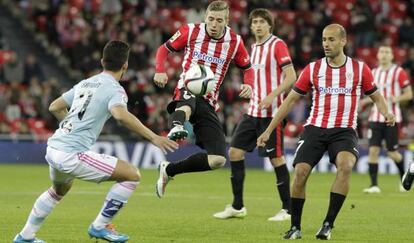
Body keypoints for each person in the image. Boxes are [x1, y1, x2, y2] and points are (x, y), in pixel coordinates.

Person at [13, 40, 178, 243]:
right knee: (132, 175)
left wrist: (70, 127)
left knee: (59, 190)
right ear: (125, 65)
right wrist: (154, 137)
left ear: (102, 61)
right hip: (71, 153)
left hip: (54, 146)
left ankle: (25, 236)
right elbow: (119, 115)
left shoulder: (85, 83)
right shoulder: (115, 90)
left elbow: (54, 106)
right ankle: (99, 226)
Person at [257, 24, 395, 240]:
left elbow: (376, 96)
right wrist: (268, 130)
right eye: (323, 40)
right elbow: (290, 100)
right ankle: (295, 227)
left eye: (331, 40)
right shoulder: (313, 69)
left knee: (346, 166)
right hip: (315, 128)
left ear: (343, 41)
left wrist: (386, 113)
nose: (326, 44)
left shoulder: (360, 69)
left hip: (344, 130)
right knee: (301, 172)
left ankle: (328, 224)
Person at [153, 0, 254, 198]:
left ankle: (169, 170)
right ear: (205, 17)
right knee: (188, 102)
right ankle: (177, 126)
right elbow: (163, 49)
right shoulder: (190, 31)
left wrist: (249, 84)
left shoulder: (235, 41)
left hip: (209, 101)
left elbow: (247, 68)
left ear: (226, 21)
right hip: (187, 87)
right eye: (211, 19)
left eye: (219, 20)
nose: (214, 24)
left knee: (217, 160)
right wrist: (160, 70)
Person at [213, 8, 296, 221]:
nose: (258, 25)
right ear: (251, 26)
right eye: (255, 22)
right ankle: (238, 206)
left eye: (262, 22)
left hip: (273, 113)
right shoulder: (253, 48)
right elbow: (255, 76)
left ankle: (287, 209)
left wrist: (272, 95)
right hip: (253, 112)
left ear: (270, 25)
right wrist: (249, 88)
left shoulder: (277, 45)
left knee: (276, 158)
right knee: (234, 152)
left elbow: (291, 77)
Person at [360, 45, 412, 193]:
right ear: (377, 55)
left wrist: (397, 98)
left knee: (392, 153)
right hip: (375, 118)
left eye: (387, 52)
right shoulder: (373, 72)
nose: (384, 55)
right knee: (373, 151)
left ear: (392, 56)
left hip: (392, 119)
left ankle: (404, 179)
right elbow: (374, 96)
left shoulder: (398, 72)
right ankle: (374, 185)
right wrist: (364, 102)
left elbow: (409, 94)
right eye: (381, 52)